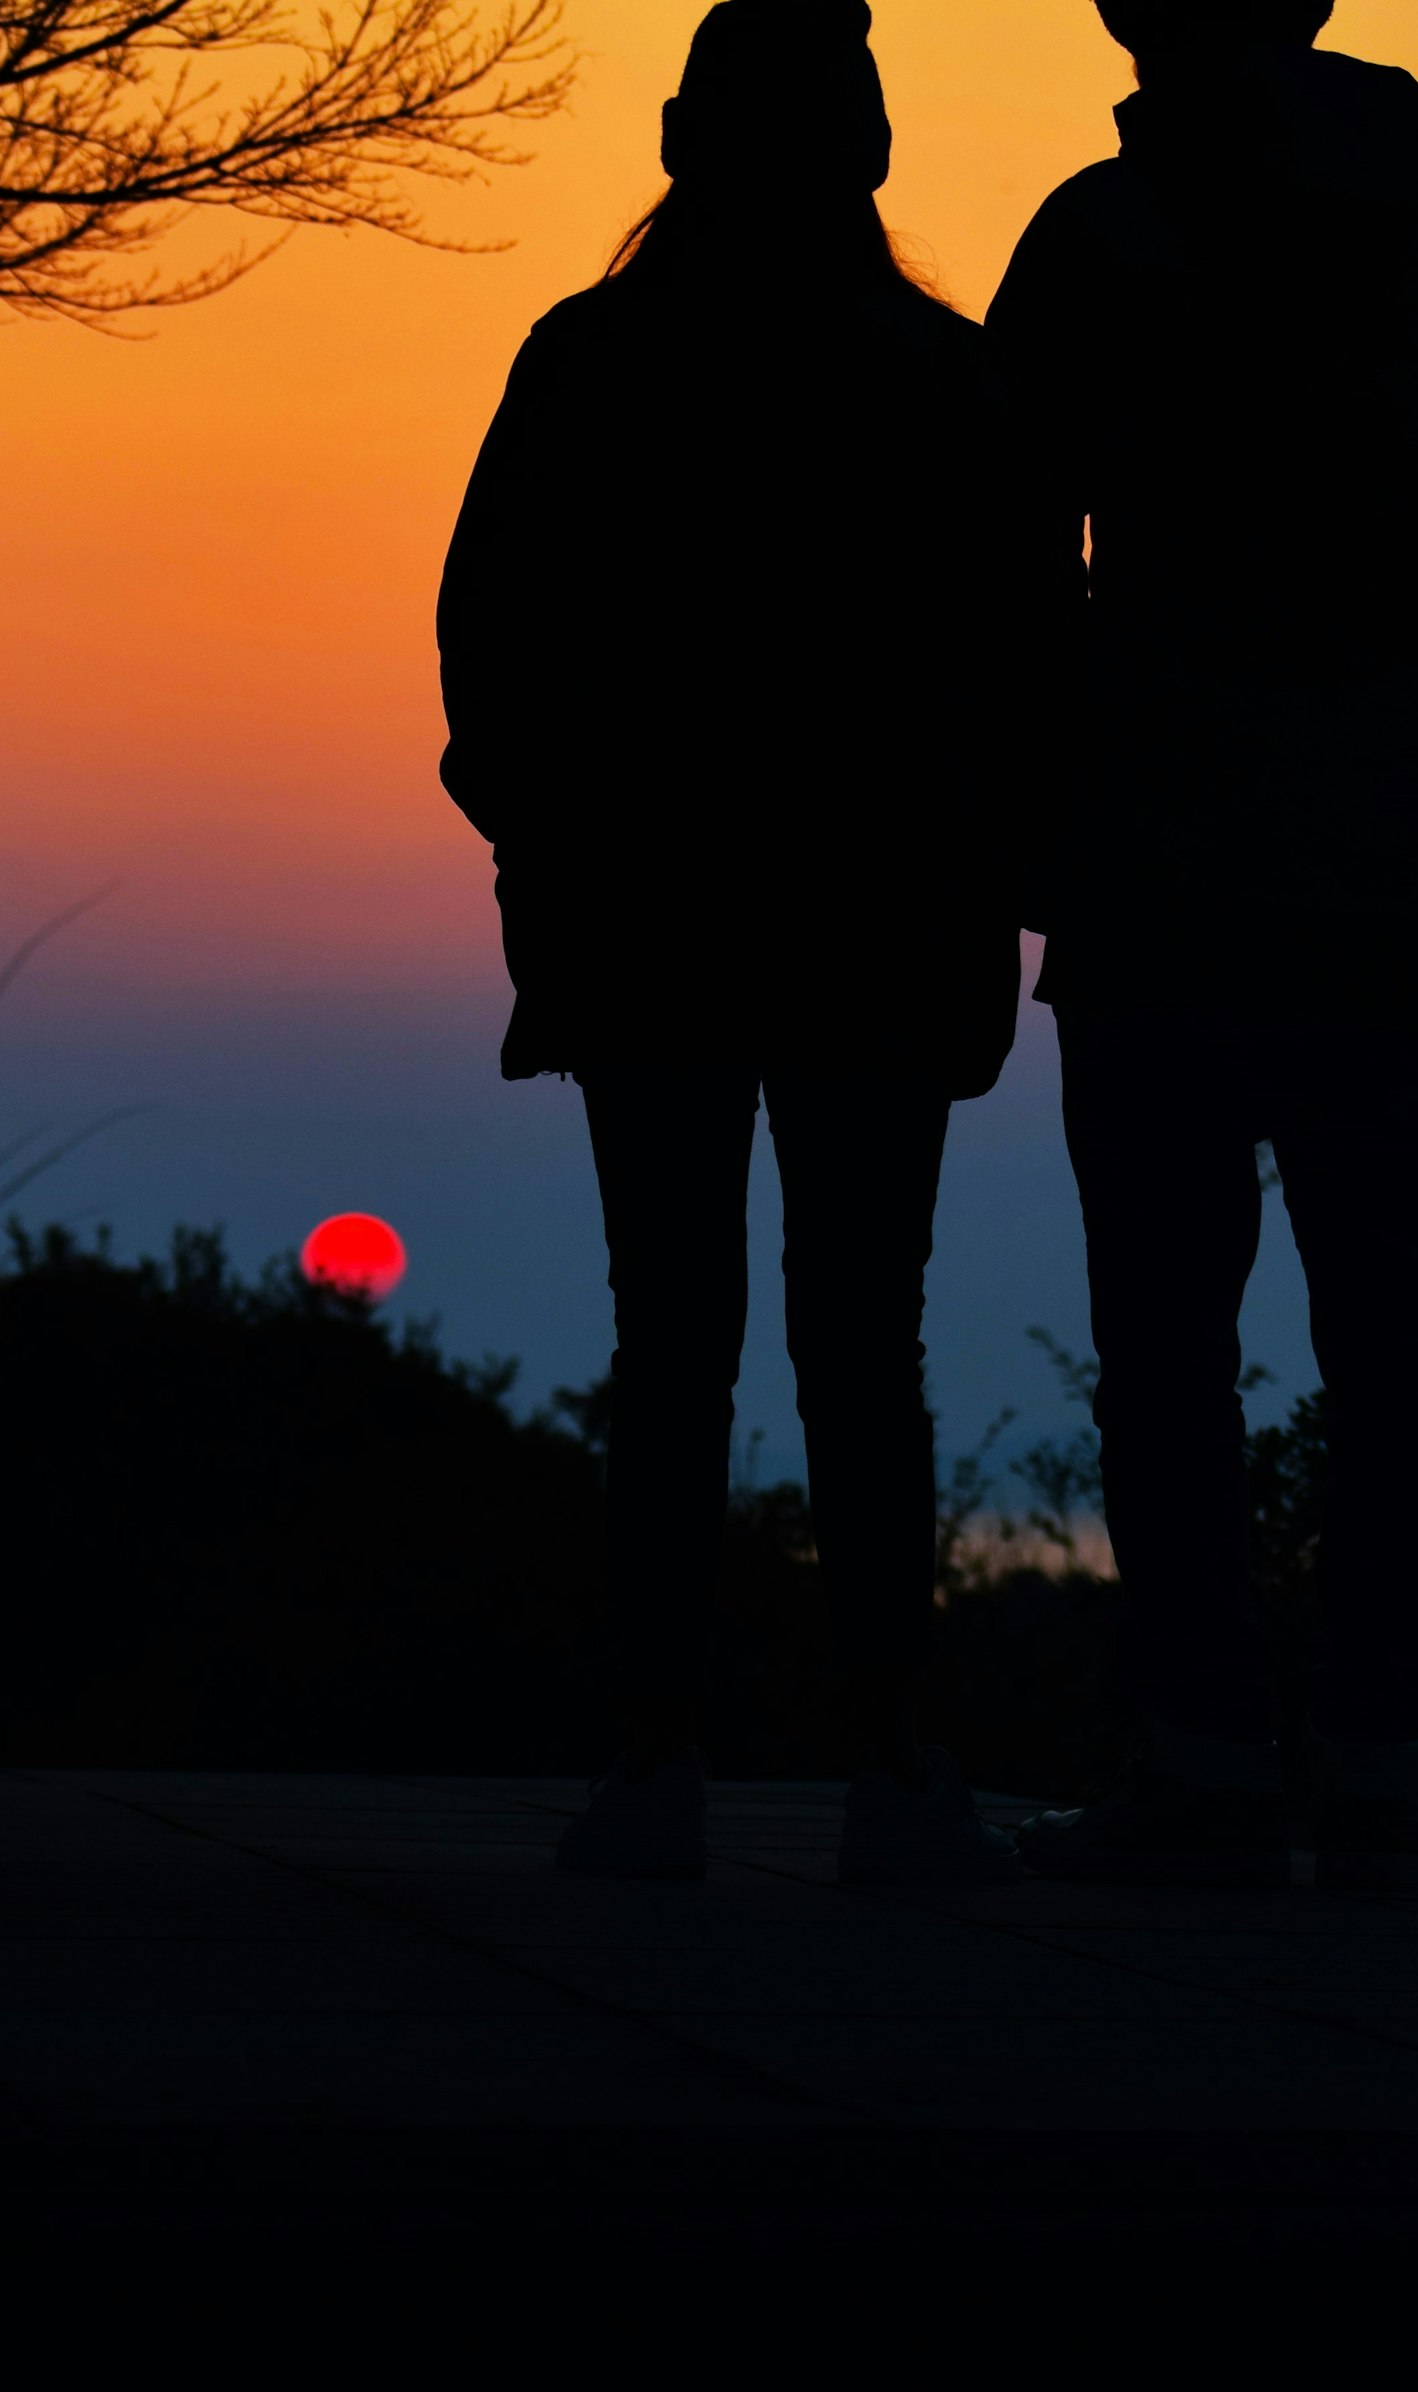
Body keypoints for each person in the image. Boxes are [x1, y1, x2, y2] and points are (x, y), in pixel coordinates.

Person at [991, 1, 1418, 1885]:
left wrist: (1085, 745)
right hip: (1372, 873)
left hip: (1170, 875)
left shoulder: (1102, 238)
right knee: (1386, 1341)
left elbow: (1002, 545)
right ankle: (1376, 1776)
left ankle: (1202, 1766)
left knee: (1174, 1336)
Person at [436, 0, 1076, 1883]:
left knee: (681, 1336)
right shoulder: (945, 382)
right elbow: (1040, 662)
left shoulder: (594, 362)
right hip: (862, 922)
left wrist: (549, 836)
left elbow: (492, 643)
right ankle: (891, 1753)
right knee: (858, 1340)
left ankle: (663, 1753)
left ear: (674, 139)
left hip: (665, 920)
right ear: (866, 155)